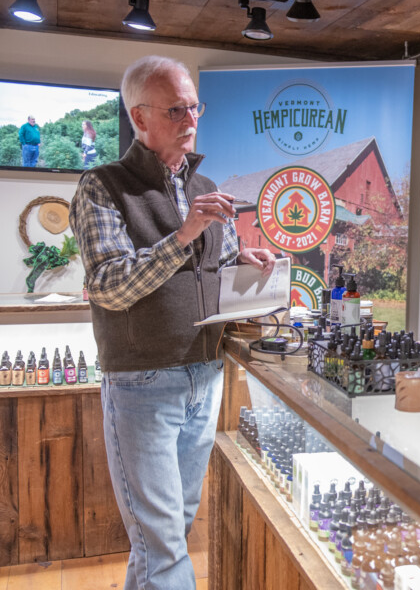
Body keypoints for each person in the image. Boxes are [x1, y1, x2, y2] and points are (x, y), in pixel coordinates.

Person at [68, 55, 276, 590]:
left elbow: (214, 264)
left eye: (195, 107)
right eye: (177, 109)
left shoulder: (202, 181)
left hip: (204, 377)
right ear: (139, 118)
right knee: (161, 545)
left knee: (169, 534)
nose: (192, 121)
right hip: (141, 383)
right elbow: (111, 286)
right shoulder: (102, 186)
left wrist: (242, 262)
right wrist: (184, 234)